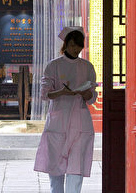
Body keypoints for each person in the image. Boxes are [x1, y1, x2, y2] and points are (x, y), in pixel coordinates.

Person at [34, 26, 97, 193]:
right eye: (72, 45)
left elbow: (92, 98)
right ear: (65, 44)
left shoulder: (87, 67)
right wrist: (61, 92)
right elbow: (45, 94)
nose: (75, 49)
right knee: (56, 166)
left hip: (80, 121)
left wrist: (85, 93)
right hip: (59, 120)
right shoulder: (53, 65)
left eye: (79, 46)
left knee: (76, 166)